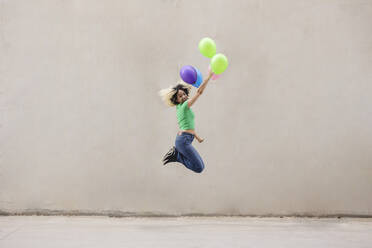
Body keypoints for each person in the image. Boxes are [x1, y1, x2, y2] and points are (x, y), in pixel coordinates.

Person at [158, 71, 213, 173]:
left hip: (184, 139)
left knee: (200, 166)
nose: (183, 96)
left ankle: (177, 155)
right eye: (180, 96)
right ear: (177, 100)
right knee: (199, 167)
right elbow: (199, 92)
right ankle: (177, 156)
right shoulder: (184, 106)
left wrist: (197, 138)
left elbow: (187, 126)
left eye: (183, 94)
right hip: (183, 141)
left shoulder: (180, 108)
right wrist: (208, 77)